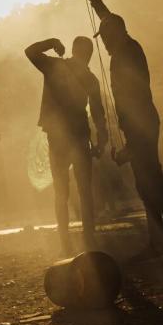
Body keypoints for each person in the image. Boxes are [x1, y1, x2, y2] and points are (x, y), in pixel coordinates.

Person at [84, 0, 163, 253]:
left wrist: (130, 142)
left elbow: (134, 98)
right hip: (141, 123)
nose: (104, 43)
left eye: (106, 38)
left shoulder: (126, 54)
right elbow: (109, 19)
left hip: (140, 124)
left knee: (149, 179)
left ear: (116, 35)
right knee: (147, 179)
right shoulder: (126, 47)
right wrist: (95, 0)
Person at [25, 36, 108, 251]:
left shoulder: (55, 65)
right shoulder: (89, 78)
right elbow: (98, 113)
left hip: (58, 137)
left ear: (73, 50)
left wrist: (51, 42)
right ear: (88, 55)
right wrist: (102, 139)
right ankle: (89, 240)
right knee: (85, 190)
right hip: (80, 136)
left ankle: (65, 243)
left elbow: (30, 51)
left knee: (61, 192)